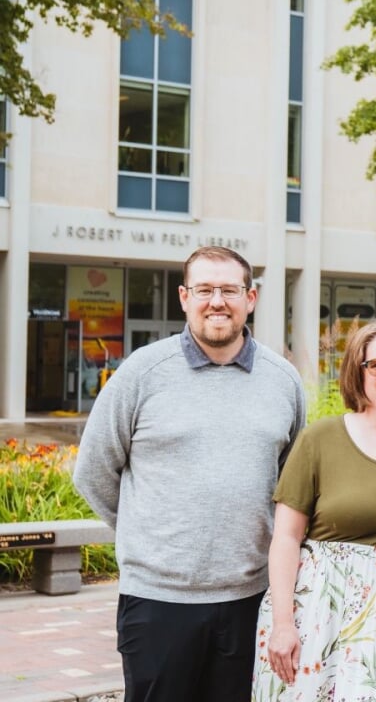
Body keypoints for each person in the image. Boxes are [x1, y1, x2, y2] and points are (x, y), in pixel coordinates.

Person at [74, 246, 306, 701]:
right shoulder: (142, 372)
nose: (216, 301)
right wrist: (147, 534)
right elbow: (93, 470)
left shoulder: (283, 380)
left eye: (229, 290)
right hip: (158, 601)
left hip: (250, 598)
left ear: (250, 298)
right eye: (204, 289)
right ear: (184, 297)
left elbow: (293, 485)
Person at [251, 319, 376, 700]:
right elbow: (286, 538)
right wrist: (282, 623)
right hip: (318, 614)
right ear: (357, 374)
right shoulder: (320, 439)